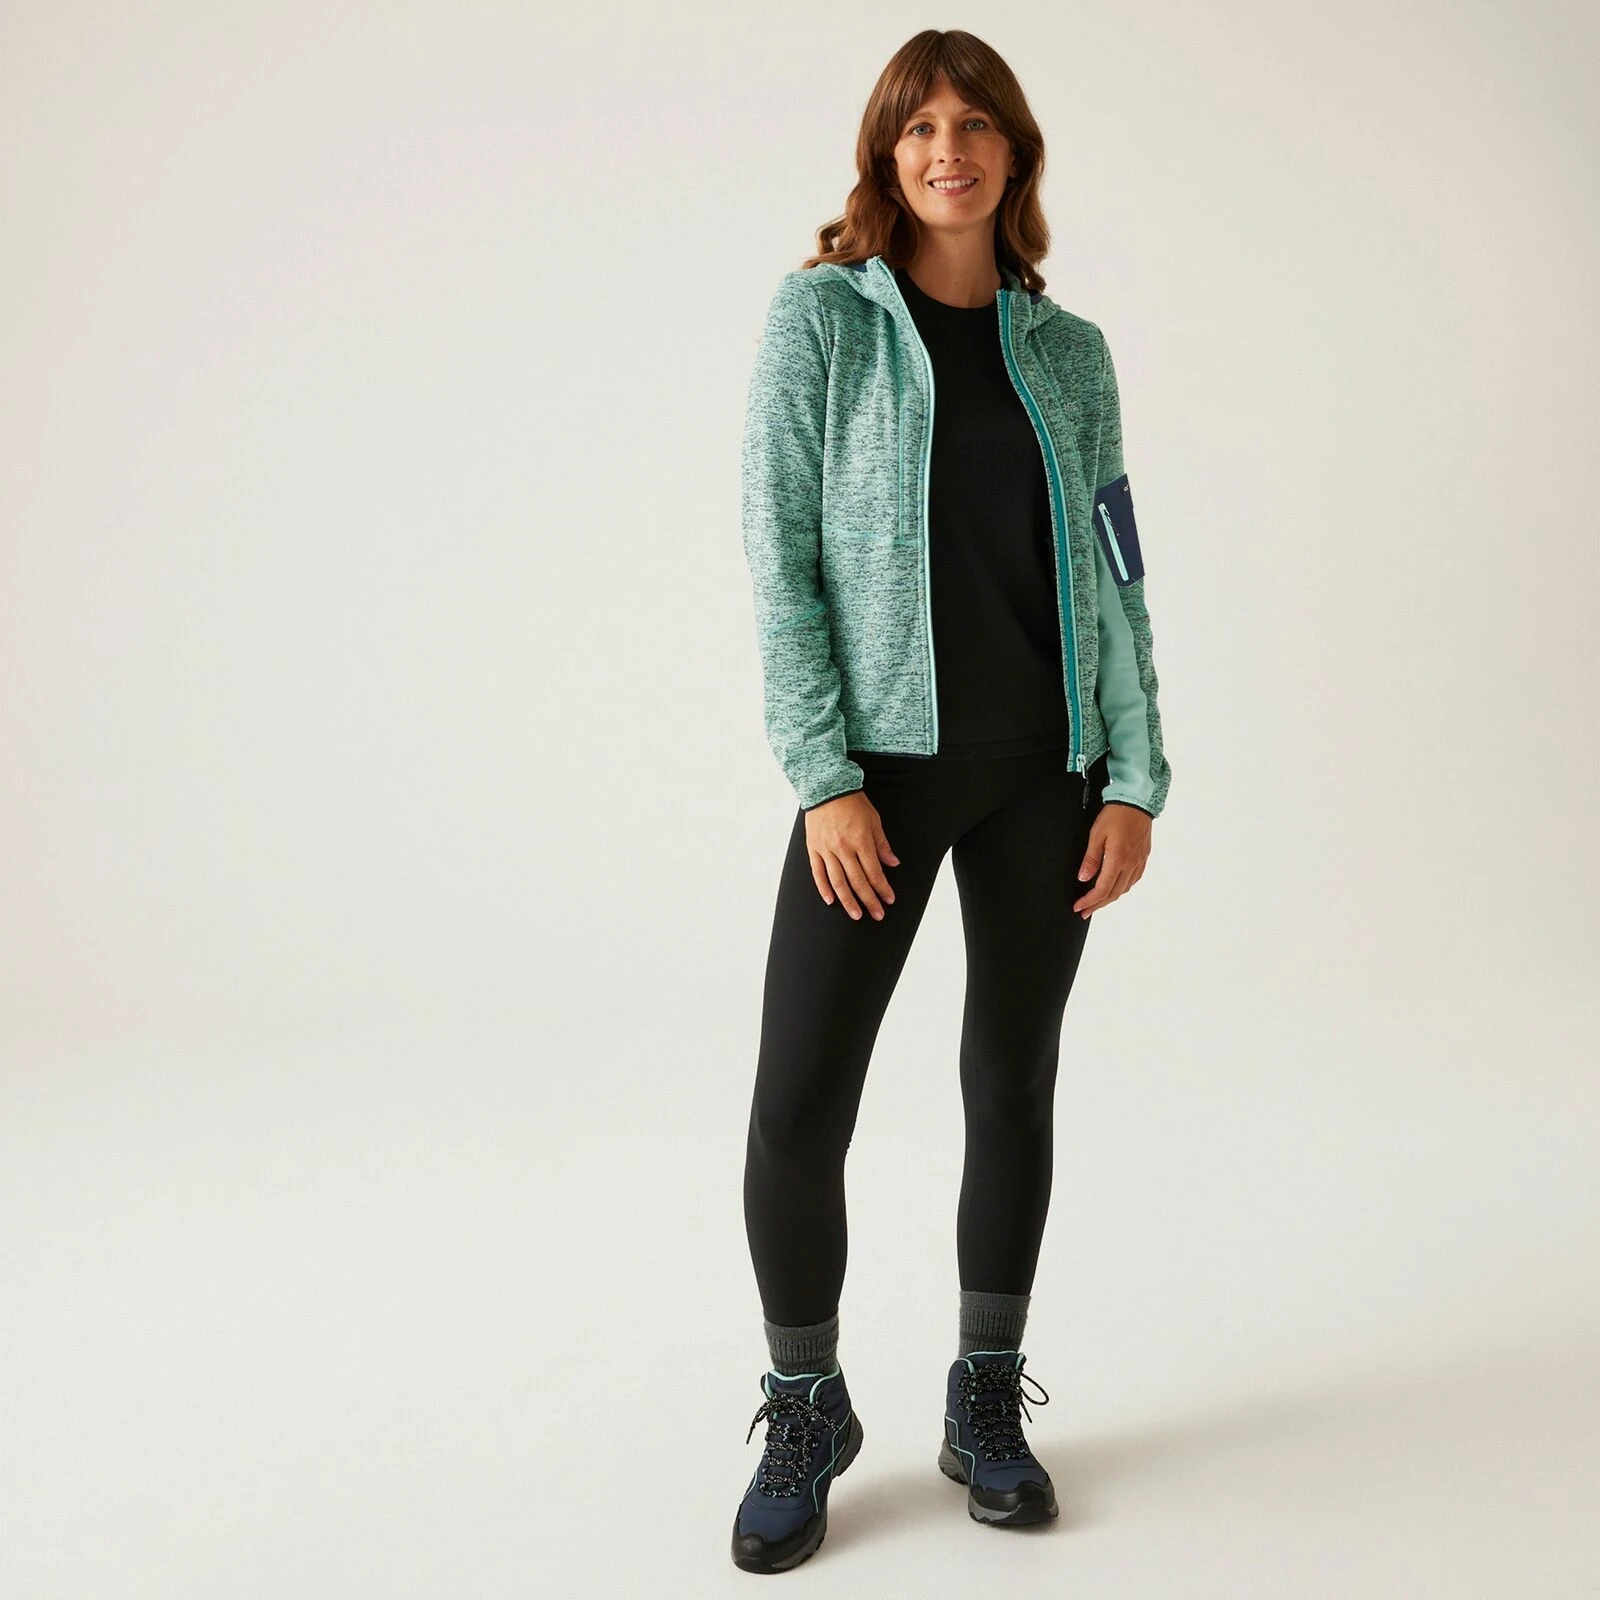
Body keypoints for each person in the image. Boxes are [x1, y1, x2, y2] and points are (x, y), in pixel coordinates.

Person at [731, 29, 1172, 1574]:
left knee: (1012, 1084)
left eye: (977, 125)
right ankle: (807, 1403)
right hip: (879, 784)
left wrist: (1135, 775)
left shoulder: (1071, 355)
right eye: (921, 126)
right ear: (886, 153)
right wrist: (825, 781)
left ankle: (986, 1392)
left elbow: (1117, 573)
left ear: (1014, 155)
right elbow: (779, 558)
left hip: (1048, 776)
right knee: (799, 1102)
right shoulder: (822, 324)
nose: (949, 150)